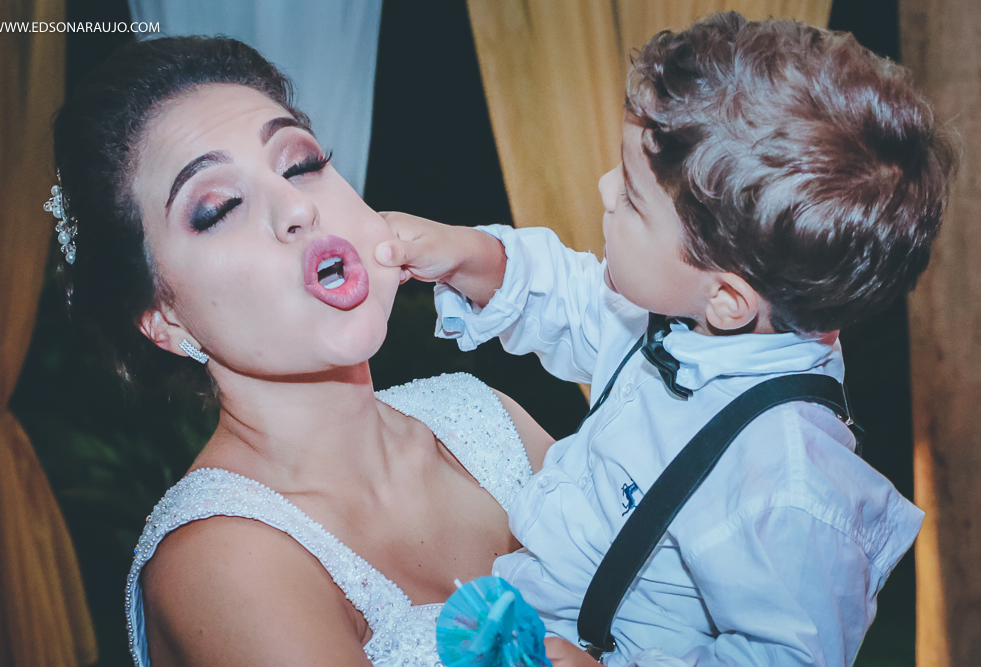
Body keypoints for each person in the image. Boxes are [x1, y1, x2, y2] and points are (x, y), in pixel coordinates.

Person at [375, 12, 956, 667]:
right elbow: (573, 301)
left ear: (728, 299)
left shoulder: (787, 481)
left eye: (632, 198)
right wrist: (472, 256)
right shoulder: (683, 315)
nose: (604, 189)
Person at [49, 36, 555, 666]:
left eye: (300, 164)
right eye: (219, 208)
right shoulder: (221, 561)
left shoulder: (484, 418)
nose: (296, 206)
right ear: (163, 320)